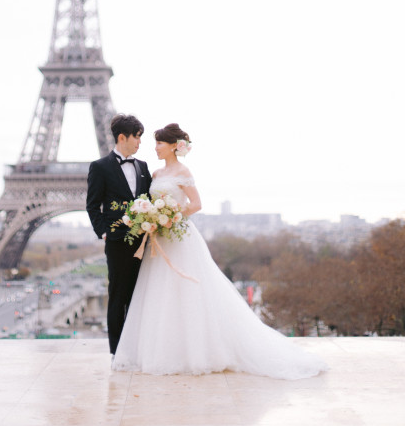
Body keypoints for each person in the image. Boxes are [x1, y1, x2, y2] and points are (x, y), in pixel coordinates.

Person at [112, 123, 329, 379]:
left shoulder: (183, 172)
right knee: (160, 293)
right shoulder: (156, 174)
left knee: (187, 292)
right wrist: (155, 217)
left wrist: (168, 217)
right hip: (160, 239)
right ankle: (168, 350)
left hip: (178, 236)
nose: (155, 148)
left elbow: (196, 204)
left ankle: (192, 351)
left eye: (159, 143)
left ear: (173, 146)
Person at [86, 113, 151, 355]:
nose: (139, 142)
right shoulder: (100, 167)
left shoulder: (143, 167)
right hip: (116, 242)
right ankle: (117, 352)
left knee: (139, 295)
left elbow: (148, 201)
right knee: (118, 297)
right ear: (122, 137)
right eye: (137, 137)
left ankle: (137, 348)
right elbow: (93, 205)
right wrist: (104, 233)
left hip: (143, 242)